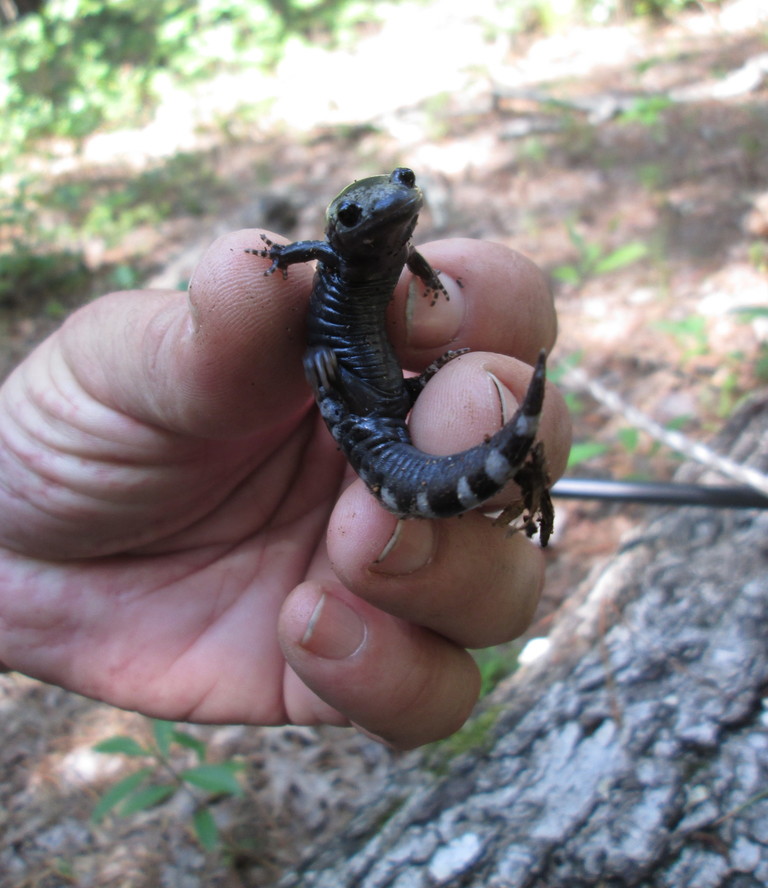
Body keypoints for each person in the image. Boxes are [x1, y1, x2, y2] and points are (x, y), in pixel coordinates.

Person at [0, 228, 570, 749]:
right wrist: (277, 265)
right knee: (455, 449)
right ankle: (519, 459)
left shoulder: (386, 252)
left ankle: (520, 460)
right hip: (371, 429)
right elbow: (303, 268)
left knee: (469, 427)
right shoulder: (338, 257)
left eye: (406, 186)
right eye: (356, 212)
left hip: (376, 424)